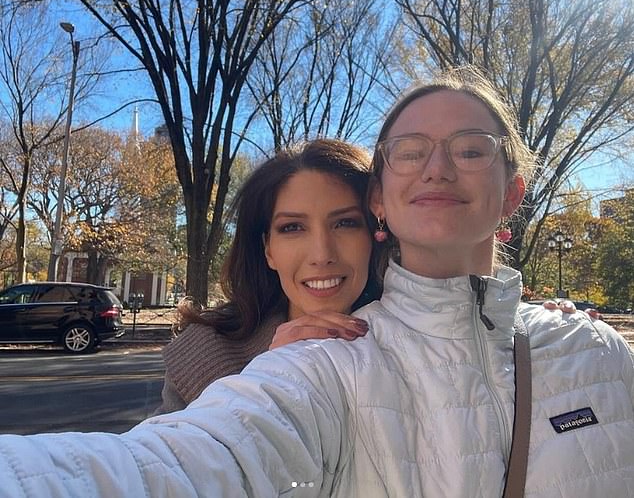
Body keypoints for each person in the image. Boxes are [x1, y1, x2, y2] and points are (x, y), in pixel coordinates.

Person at [1, 67, 631, 498]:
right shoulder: (317, 366)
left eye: (470, 149)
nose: (437, 167)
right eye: (410, 151)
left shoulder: (594, 353)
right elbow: (170, 465)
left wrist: (549, 333)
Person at [157, 139, 380, 413]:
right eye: (293, 227)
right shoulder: (204, 356)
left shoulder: (419, 343)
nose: (321, 254)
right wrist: (267, 377)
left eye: (345, 223)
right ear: (268, 249)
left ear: (375, 235)